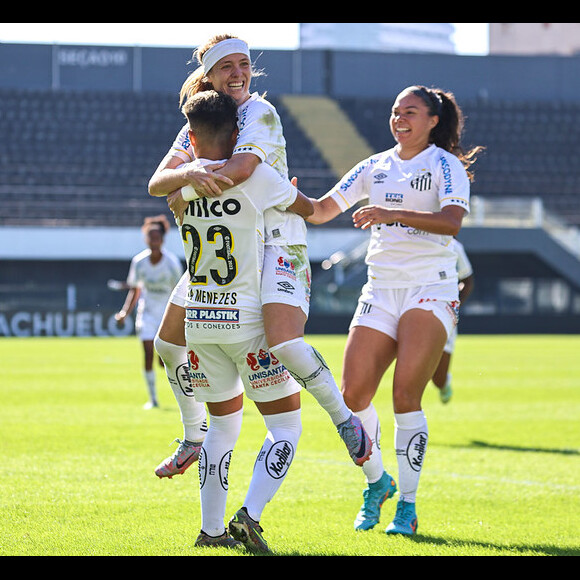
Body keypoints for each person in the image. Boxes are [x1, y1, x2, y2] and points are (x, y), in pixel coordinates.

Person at [148, 34, 371, 479]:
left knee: (286, 342)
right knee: (167, 344)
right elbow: (156, 182)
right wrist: (185, 173)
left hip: (276, 239)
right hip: (224, 244)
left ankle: (345, 418)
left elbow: (241, 171)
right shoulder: (199, 119)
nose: (238, 73)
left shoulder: (260, 112)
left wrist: (185, 186)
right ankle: (194, 435)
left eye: (243, 64)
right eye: (226, 66)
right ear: (208, 76)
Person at [306, 85, 484, 535]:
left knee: (406, 396)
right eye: (394, 111)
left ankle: (407, 504)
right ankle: (377, 482)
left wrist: (392, 214)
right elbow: (323, 208)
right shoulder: (375, 165)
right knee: (352, 397)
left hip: (431, 288)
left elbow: (451, 222)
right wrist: (285, 198)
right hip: (380, 289)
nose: (399, 119)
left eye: (410, 112)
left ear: (432, 121)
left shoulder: (446, 166)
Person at [178, 89, 314, 551]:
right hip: (247, 323)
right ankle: (248, 518)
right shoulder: (257, 179)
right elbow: (309, 210)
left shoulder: (181, 190)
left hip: (200, 322)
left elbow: (171, 192)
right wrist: (290, 188)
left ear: (191, 140)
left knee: (220, 427)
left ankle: (210, 531)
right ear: (238, 135)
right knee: (286, 427)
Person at [114, 215, 183, 409]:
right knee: (147, 353)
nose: (153, 241)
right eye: (150, 237)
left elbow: (181, 291)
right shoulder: (139, 262)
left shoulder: (171, 263)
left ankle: (186, 397)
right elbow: (135, 289)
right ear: (146, 239)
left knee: (165, 362)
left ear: (162, 239)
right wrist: (124, 313)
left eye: (156, 237)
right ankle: (153, 399)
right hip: (147, 314)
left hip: (167, 315)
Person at [431, 238, 474, 403]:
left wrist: (453, 308)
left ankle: (444, 384)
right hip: (411, 310)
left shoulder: (455, 247)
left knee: (438, 378)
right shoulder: (412, 241)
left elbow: (468, 281)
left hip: (443, 315)